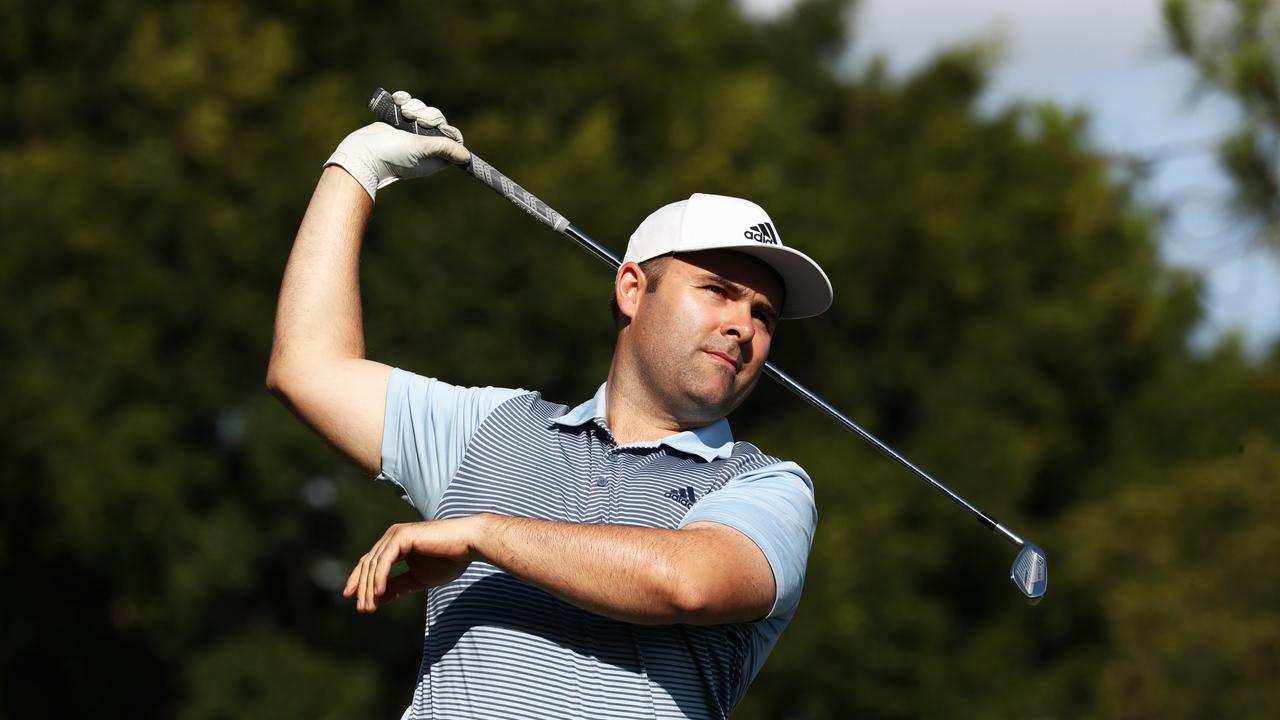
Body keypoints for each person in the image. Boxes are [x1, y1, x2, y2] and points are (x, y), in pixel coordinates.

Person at [267, 91, 834, 720]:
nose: (742, 327)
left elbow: (688, 583)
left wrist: (484, 533)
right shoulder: (492, 428)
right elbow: (309, 368)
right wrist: (358, 167)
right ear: (631, 289)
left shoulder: (766, 486)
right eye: (718, 292)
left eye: (763, 315)